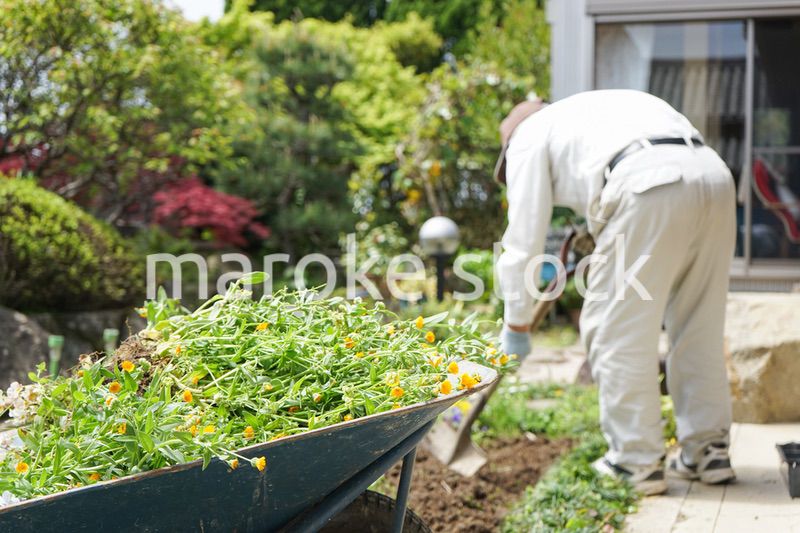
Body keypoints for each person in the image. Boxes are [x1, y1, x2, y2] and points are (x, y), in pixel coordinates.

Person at [496, 89, 737, 495]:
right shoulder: (593, 111)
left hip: (648, 184)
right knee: (700, 325)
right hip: (714, 177)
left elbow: (523, 242)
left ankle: (635, 461)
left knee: (615, 328)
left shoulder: (527, 135)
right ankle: (707, 450)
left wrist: (515, 326)